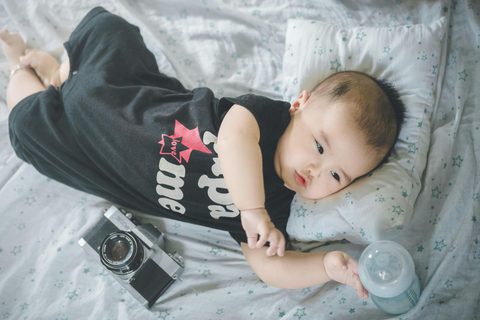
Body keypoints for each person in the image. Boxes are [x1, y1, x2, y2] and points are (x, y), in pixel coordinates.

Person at [1, 7, 405, 298]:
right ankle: (58, 72)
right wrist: (251, 209)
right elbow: (232, 139)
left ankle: (21, 69)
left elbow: (268, 266)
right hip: (132, 105)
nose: (317, 170)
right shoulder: (266, 119)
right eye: (320, 146)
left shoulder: (277, 207)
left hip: (110, 161)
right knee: (110, 31)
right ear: (299, 105)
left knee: (28, 128)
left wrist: (325, 267)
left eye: (338, 177)